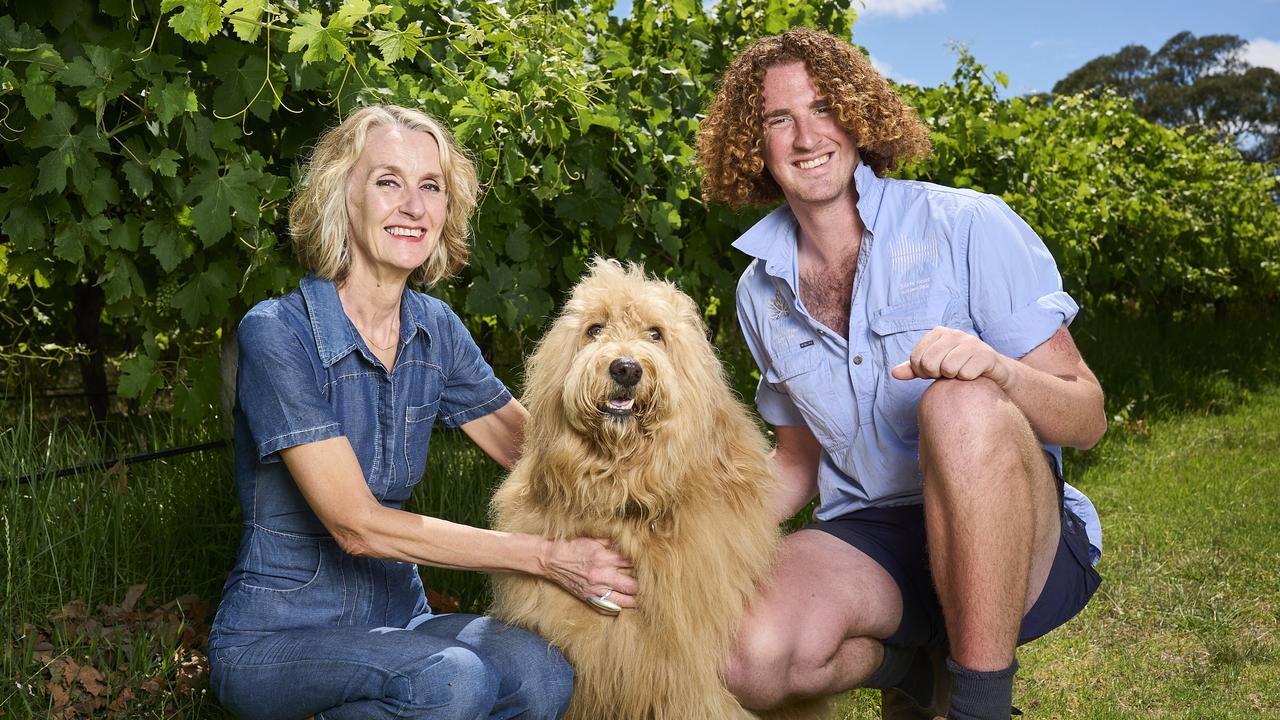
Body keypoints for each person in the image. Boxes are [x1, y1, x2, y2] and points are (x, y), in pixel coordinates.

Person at [695, 28, 1106, 720]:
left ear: (858, 117)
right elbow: (796, 466)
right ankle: (912, 667)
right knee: (744, 659)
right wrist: (690, 533)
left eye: (823, 108)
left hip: (1014, 525)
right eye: (777, 119)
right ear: (752, 142)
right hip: (873, 535)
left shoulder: (966, 224)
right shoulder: (757, 291)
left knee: (959, 405)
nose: (805, 137)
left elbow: (1087, 416)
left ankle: (979, 705)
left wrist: (999, 373)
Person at [207, 104, 638, 720]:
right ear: (340, 195)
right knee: (452, 682)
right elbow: (356, 525)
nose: (413, 206)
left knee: (542, 674)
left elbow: (537, 452)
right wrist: (545, 556)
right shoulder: (277, 332)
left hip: (398, 621)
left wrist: (652, 477)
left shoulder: (435, 329)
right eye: (388, 182)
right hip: (275, 640)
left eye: (430, 187)